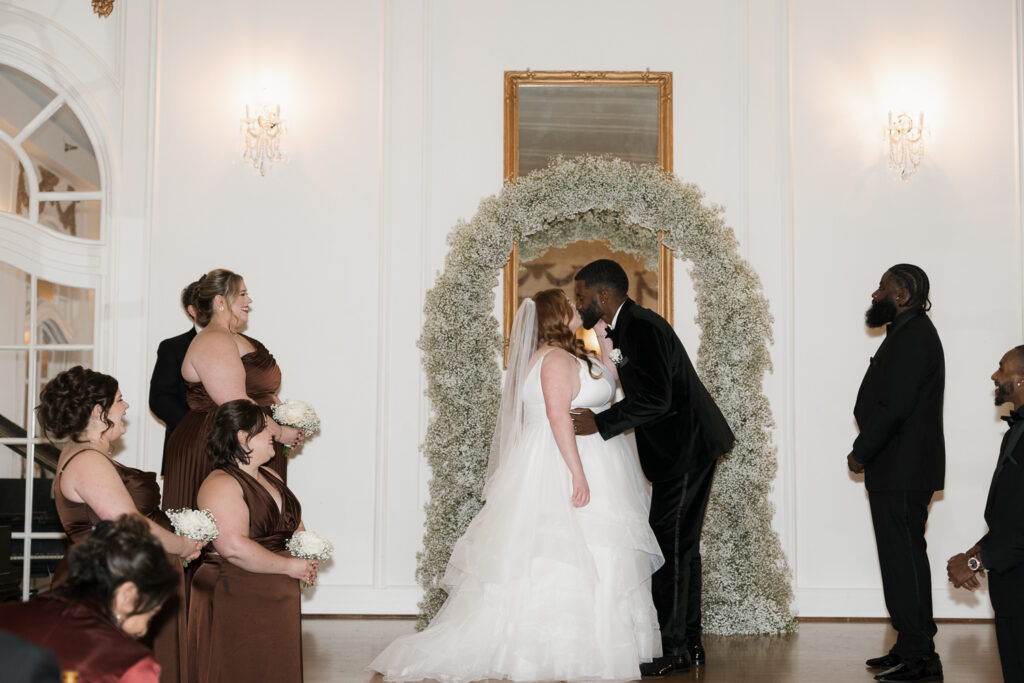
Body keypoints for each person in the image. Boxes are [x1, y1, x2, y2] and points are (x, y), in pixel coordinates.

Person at [370, 289, 663, 682]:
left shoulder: (574, 356)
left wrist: (609, 345)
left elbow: (610, 384)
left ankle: (600, 644)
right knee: (564, 552)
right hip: (564, 462)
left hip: (599, 457)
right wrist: (577, 474)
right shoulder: (555, 360)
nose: (577, 308)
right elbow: (559, 419)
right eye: (569, 304)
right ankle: (555, 651)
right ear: (556, 316)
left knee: (602, 551)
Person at [570, 259, 735, 677]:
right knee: (682, 548)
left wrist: (600, 423)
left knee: (671, 547)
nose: (579, 303)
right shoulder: (627, 327)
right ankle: (690, 644)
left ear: (602, 296)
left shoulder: (640, 326)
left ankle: (675, 648)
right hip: (683, 449)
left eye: (581, 295)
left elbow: (658, 399)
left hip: (685, 448)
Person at [37, 366, 203, 683]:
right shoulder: (87, 460)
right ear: (99, 412)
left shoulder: (82, 452)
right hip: (109, 584)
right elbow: (129, 524)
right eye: (119, 400)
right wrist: (182, 546)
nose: (125, 407)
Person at [847, 264, 944, 683]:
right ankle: (908, 645)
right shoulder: (906, 332)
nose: (874, 294)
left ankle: (921, 657)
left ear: (902, 294)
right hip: (897, 467)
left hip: (902, 467)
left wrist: (860, 451)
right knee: (899, 560)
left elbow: (896, 406)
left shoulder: (915, 335)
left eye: (882, 288)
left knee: (904, 561)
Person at [187, 400, 315, 683]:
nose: (272, 432)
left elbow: (293, 525)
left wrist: (307, 553)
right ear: (242, 437)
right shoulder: (220, 484)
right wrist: (289, 568)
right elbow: (232, 547)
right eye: (264, 427)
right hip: (236, 587)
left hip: (273, 586)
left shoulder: (271, 474)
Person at [161, 268, 303, 513]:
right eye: (243, 294)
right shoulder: (213, 339)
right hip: (218, 444)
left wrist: (286, 416)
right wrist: (279, 432)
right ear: (220, 301)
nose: (249, 301)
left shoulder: (237, 338)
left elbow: (261, 391)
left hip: (254, 438)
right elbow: (236, 402)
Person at [0, 514, 180, 683]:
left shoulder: (6, 614)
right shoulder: (132, 665)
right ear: (127, 594)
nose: (143, 630)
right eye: (150, 613)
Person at [947, 345, 1024, 681]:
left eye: (1001, 368)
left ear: (1021, 380)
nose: (995, 376)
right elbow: (1012, 511)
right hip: (1011, 587)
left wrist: (978, 562)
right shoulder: (1015, 434)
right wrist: (977, 549)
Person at [149, 279, 201, 474]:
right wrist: (198, 430)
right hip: (186, 450)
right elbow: (160, 399)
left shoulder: (240, 345)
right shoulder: (173, 348)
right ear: (192, 310)